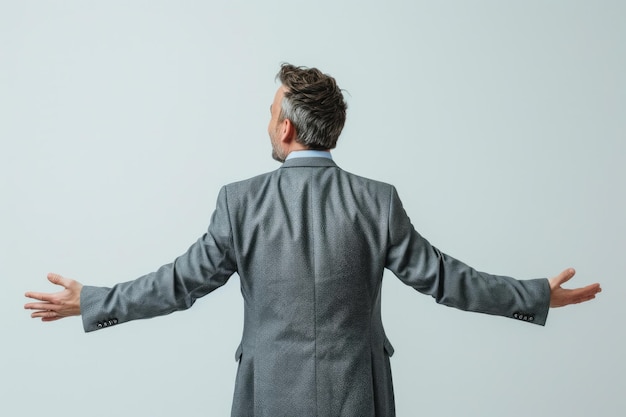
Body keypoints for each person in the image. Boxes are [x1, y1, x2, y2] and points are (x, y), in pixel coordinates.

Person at [24, 64, 601, 417]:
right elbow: (447, 281)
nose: (267, 122)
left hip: (267, 396)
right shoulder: (376, 201)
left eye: (270, 112)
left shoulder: (240, 202)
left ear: (285, 128)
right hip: (359, 397)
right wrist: (537, 296)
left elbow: (179, 285)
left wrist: (93, 300)